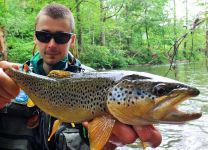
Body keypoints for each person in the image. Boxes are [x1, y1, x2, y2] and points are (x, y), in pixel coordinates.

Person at [0, 3, 162, 150]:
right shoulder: (10, 78)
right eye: (44, 35)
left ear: (72, 40)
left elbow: (152, 139)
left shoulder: (101, 82)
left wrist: (105, 144)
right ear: (35, 37)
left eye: (61, 37)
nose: (52, 44)